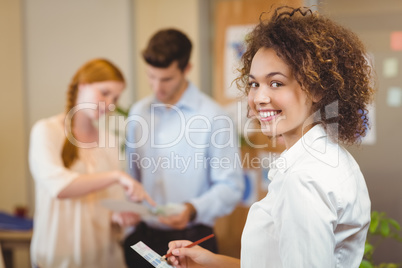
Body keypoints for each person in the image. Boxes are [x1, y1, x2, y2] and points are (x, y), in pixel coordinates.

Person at [166, 6, 374, 268]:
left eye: (276, 83)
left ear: (317, 89)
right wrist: (211, 262)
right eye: (254, 83)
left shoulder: (303, 179)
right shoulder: (326, 158)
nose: (259, 98)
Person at [123, 29, 244, 267]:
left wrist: (191, 209)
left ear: (187, 69)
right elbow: (131, 175)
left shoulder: (213, 117)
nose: (157, 87)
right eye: (151, 76)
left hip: (192, 242)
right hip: (143, 239)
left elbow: (231, 186)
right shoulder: (138, 112)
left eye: (166, 79)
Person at [29, 58, 155, 268]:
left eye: (115, 97)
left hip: (104, 259)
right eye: (104, 93)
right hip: (57, 260)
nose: (110, 104)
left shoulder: (109, 141)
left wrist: (121, 216)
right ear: (83, 85)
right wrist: (117, 176)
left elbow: (110, 203)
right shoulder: (46, 131)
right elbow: (59, 187)